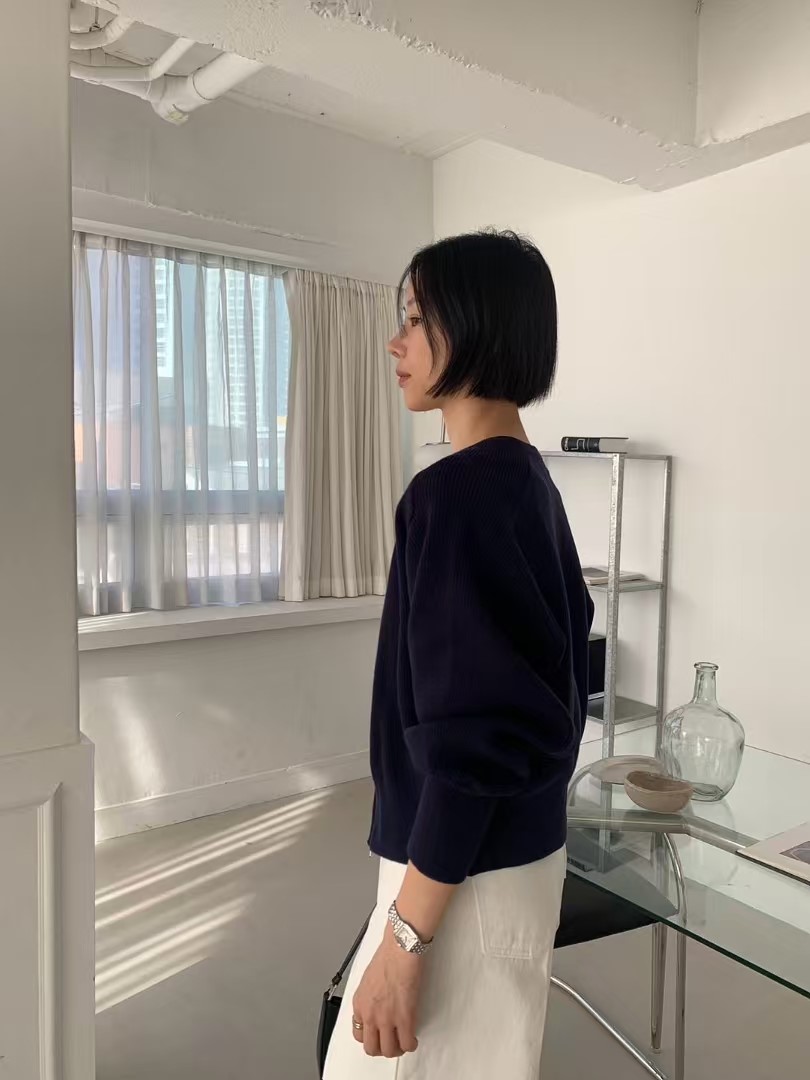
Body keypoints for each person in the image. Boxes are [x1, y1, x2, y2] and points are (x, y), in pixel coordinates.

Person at [324, 230, 593, 1079]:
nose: (395, 342)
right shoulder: (527, 483)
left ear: (476, 326)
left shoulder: (457, 494)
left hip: (460, 880)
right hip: (507, 863)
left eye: (415, 318)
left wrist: (405, 938)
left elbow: (477, 742)